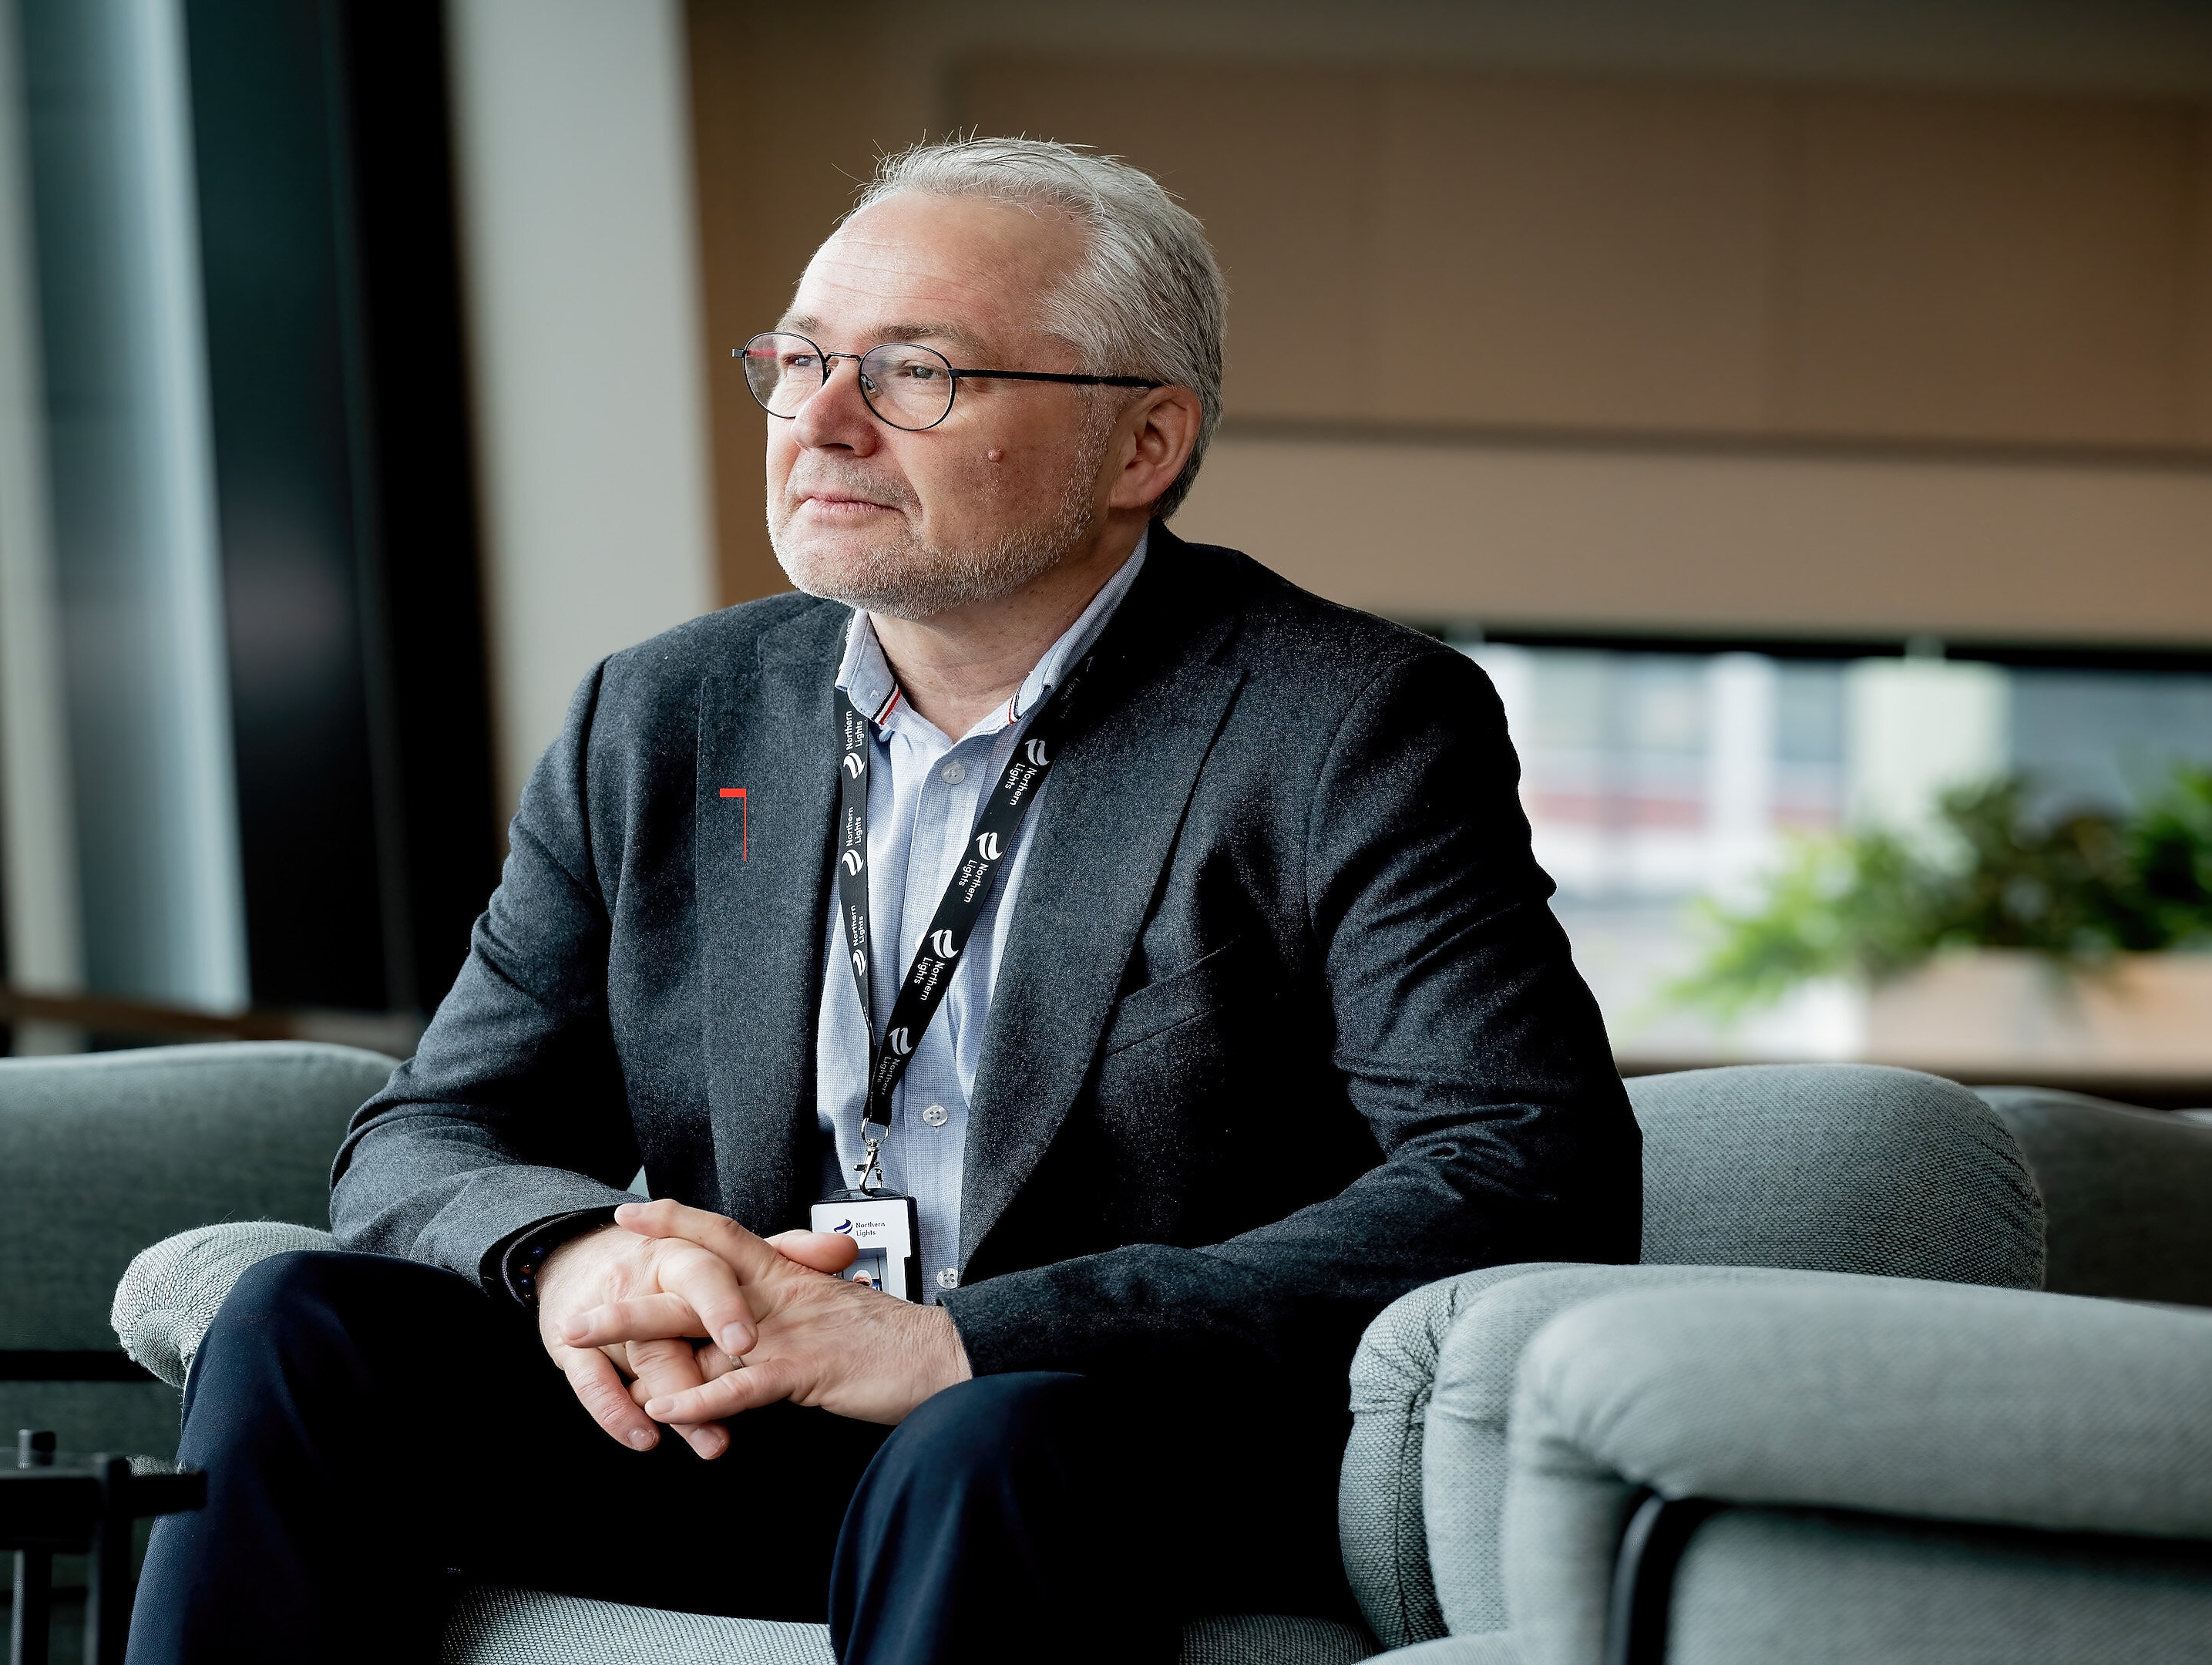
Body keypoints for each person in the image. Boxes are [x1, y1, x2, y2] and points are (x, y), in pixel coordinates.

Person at [128, 136, 1638, 1665]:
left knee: (983, 1445)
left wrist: (956, 1344)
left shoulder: (1344, 724)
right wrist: (580, 1254)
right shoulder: (663, 712)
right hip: (736, 1420)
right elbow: (428, 1132)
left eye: (916, 373)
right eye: (798, 361)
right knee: (298, 1326)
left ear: (1144, 446)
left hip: (1077, 1440)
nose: (822, 423)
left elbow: (1526, 1167)